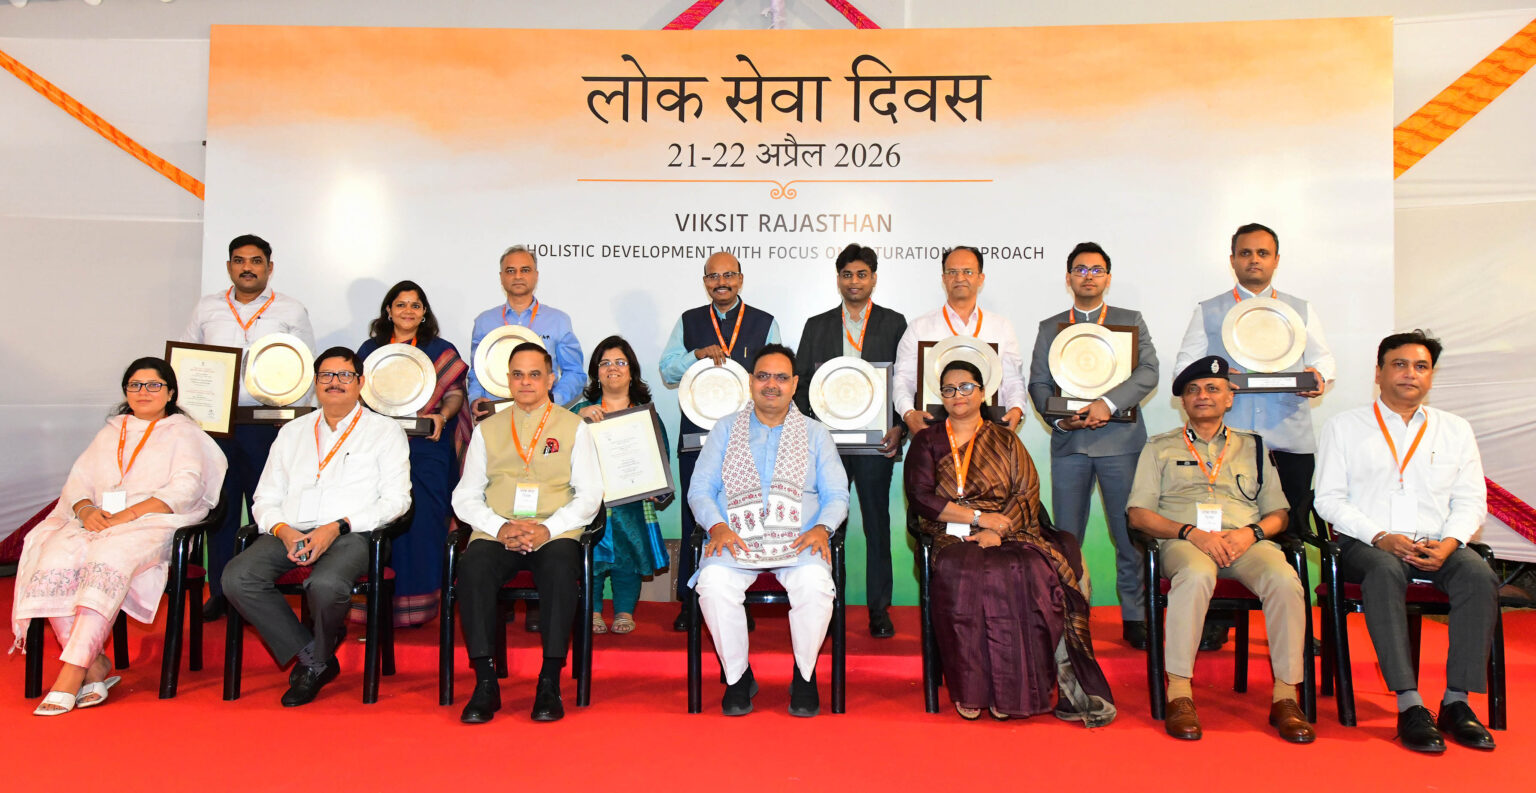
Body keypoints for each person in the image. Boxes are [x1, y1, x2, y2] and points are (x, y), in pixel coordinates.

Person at [1314, 331, 1499, 753]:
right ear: (1378, 373)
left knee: (1479, 576)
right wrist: (1380, 536)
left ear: (1431, 376)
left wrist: (1451, 542)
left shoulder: (1455, 429)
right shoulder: (1344, 427)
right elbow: (1329, 500)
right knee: (1384, 572)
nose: (1409, 374)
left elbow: (1471, 499)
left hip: (1438, 543)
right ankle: (1410, 703)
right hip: (1369, 543)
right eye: (1399, 364)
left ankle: (1456, 702)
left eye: (1421, 367)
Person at [13, 358, 226, 715]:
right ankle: (94, 663)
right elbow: (78, 482)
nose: (144, 392)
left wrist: (129, 515)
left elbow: (187, 488)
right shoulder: (111, 431)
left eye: (154, 385)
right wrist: (86, 511)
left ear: (170, 393)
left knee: (107, 560)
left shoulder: (184, 433)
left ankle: (72, 672)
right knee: (53, 556)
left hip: (154, 522)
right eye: (135, 385)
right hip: (101, 520)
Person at [907, 360, 1114, 724]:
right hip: (951, 532)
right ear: (941, 397)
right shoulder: (927, 441)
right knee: (964, 571)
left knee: (1025, 568)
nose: (957, 395)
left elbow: (1026, 492)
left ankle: (1013, 691)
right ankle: (971, 690)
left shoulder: (1006, 439)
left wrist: (996, 530)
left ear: (983, 392)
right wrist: (977, 519)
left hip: (1009, 529)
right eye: (949, 389)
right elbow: (921, 497)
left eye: (966, 387)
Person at [1127, 356, 1314, 743]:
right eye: (1193, 390)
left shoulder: (1253, 446)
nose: (1202, 395)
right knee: (1196, 575)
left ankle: (1286, 696)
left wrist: (1252, 533)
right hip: (1185, 542)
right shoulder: (1159, 447)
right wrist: (1190, 532)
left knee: (1285, 580)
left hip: (1243, 541)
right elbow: (1138, 514)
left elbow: (1279, 513)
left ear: (1230, 398)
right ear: (1182, 401)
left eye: (1213, 389)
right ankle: (1179, 692)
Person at [221, 347, 411, 707]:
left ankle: (315, 658)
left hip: (354, 534)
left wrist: (338, 526)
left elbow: (397, 501)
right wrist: (282, 529)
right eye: (326, 375)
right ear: (315, 382)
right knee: (237, 577)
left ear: (361, 382)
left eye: (344, 375)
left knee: (325, 585)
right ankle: (314, 657)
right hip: (291, 531)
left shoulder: (384, 431)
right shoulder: (292, 432)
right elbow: (265, 497)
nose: (334, 382)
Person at [689, 344, 848, 717]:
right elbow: (699, 490)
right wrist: (717, 526)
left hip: (798, 541)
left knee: (815, 586)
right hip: (736, 539)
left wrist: (823, 527)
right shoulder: (725, 429)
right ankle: (737, 677)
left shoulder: (815, 433)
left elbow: (837, 494)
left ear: (795, 384)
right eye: (763, 376)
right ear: (750, 382)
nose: (771, 384)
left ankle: (804, 675)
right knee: (713, 585)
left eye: (781, 377)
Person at [452, 343, 603, 723]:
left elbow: (590, 495)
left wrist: (548, 528)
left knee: (559, 570)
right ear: (507, 380)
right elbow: (464, 496)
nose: (525, 382)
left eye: (535, 374)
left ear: (551, 379)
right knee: (473, 568)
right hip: (498, 529)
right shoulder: (487, 429)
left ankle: (549, 681)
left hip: (555, 529)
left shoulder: (574, 426)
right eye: (518, 375)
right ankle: (485, 682)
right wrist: (499, 526)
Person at [1027, 242, 1159, 649]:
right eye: (1080, 269)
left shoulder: (1128, 321)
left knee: (1129, 535)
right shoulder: (1051, 327)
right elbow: (1038, 384)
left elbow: (1149, 371)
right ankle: (1070, 615)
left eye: (1096, 270)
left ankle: (1134, 615)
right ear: (1068, 278)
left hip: (1121, 444)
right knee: (1066, 539)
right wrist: (1059, 419)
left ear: (1108, 278)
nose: (1088, 276)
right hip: (1071, 443)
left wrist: (1108, 403)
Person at [182, 234, 315, 620]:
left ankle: (258, 590)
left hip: (267, 425)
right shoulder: (207, 308)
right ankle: (221, 592)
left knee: (267, 510)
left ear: (269, 268)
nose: (247, 268)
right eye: (239, 260)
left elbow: (305, 368)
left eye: (256, 261)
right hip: (215, 428)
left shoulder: (290, 310)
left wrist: (290, 419)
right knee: (221, 510)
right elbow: (188, 361)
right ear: (229, 267)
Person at [659, 251, 781, 631]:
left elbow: (776, 374)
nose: (721, 282)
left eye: (729, 275)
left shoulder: (765, 323)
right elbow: (666, 370)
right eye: (714, 276)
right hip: (697, 437)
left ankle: (740, 600)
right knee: (694, 516)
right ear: (705, 282)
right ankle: (689, 601)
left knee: (744, 515)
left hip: (750, 437)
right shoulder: (689, 321)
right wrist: (695, 356)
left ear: (740, 279)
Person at [793, 243, 908, 638]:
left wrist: (900, 426)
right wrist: (811, 431)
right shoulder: (818, 325)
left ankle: (879, 610)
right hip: (828, 446)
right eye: (847, 275)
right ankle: (827, 608)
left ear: (873, 278)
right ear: (838, 279)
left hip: (876, 444)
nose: (854, 281)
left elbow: (903, 383)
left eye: (861, 274)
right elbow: (802, 385)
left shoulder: (894, 323)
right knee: (826, 527)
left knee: (877, 525)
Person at [356, 280, 467, 626]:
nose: (408, 311)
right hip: (376, 449)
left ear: (424, 313)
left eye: (415, 305)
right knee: (377, 522)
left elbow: (455, 394)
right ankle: (374, 607)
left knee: (424, 524)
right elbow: (356, 396)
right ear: (388, 311)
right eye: (401, 304)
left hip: (426, 447)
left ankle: (421, 605)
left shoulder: (441, 350)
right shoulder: (371, 350)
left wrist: (442, 416)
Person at [573, 336, 672, 635]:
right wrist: (576, 417)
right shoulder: (581, 411)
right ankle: (593, 611)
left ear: (631, 372)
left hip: (633, 502)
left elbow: (662, 456)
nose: (612, 368)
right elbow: (557, 444)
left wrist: (658, 489)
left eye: (620, 362)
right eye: (605, 363)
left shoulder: (645, 414)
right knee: (591, 556)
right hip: (591, 502)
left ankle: (624, 611)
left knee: (629, 557)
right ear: (596, 372)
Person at [893, 246, 1029, 435]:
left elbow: (1013, 379)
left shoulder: (1001, 326)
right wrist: (908, 413)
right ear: (943, 278)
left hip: (988, 432)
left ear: (980, 278)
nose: (959, 278)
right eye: (952, 272)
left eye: (968, 272)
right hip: (934, 431)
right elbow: (903, 379)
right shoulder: (919, 327)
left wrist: (1016, 409)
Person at [467, 245, 586, 417]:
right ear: (501, 277)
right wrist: (475, 398)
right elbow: (477, 371)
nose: (518, 276)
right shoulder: (484, 322)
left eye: (525, 270)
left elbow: (574, 372)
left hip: (544, 416)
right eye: (510, 271)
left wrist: (554, 399)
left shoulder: (558, 321)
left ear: (536, 275)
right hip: (496, 416)